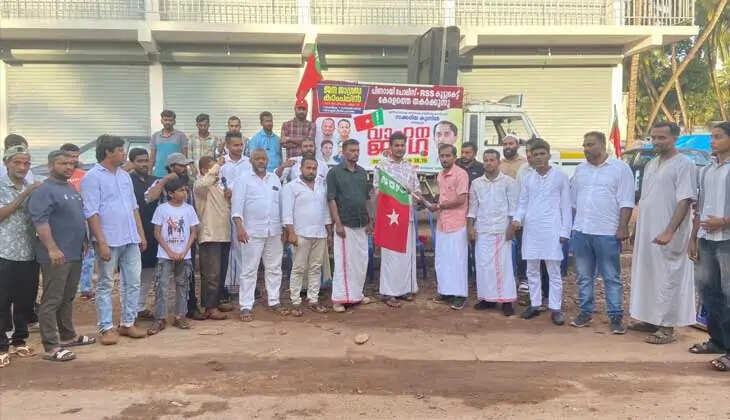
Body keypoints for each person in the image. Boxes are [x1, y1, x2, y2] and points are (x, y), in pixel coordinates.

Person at [629, 121, 697, 344]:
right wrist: (637, 227)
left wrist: (669, 231)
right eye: (653, 137)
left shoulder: (684, 164)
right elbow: (645, 199)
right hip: (648, 230)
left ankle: (667, 327)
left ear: (675, 139)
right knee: (648, 274)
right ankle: (651, 319)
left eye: (662, 138)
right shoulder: (651, 164)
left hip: (670, 232)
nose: (656, 142)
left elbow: (685, 200)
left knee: (668, 276)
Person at [81, 135, 148, 345]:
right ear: (108, 152)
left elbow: (134, 207)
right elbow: (91, 212)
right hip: (108, 239)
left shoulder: (124, 175)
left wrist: (140, 234)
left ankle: (128, 323)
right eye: (119, 150)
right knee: (106, 283)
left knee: (133, 281)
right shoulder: (92, 177)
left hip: (130, 237)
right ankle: (106, 327)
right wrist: (100, 241)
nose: (123, 153)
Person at [29, 150, 95, 362]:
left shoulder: (69, 188)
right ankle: (51, 347)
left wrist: (84, 240)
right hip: (56, 255)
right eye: (62, 163)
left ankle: (68, 336)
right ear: (50, 166)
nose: (68, 167)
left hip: (74, 253)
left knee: (67, 297)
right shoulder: (43, 190)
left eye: (71, 163)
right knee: (52, 300)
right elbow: (40, 222)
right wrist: (52, 248)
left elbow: (76, 217)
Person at [569, 131, 634, 334]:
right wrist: (573, 227)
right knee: (583, 276)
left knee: (611, 276)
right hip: (581, 231)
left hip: (607, 232)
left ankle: (615, 316)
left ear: (603, 145)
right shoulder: (580, 170)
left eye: (590, 144)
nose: (586, 149)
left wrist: (622, 227)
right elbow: (573, 202)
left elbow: (626, 200)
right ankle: (585, 312)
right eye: (584, 145)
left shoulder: (620, 169)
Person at [512, 139, 571, 325]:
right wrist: (517, 218)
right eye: (535, 155)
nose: (538, 158)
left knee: (553, 270)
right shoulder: (528, 178)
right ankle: (535, 304)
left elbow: (566, 206)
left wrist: (565, 231)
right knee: (532, 269)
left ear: (548, 155)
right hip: (531, 230)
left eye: (541, 154)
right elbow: (522, 203)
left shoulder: (560, 177)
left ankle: (555, 308)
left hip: (552, 229)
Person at [688, 121, 730, 371]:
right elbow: (699, 209)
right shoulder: (706, 171)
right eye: (711, 137)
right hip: (706, 240)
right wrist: (693, 237)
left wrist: (723, 221)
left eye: (718, 136)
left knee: (728, 295)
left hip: (727, 241)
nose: (712, 141)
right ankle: (717, 341)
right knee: (708, 293)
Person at [144, 153, 205, 321]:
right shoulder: (160, 183)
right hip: (166, 240)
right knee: (163, 281)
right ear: (171, 167)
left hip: (186, 237)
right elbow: (149, 197)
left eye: (186, 165)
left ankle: (188, 309)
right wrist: (164, 181)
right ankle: (161, 316)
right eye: (181, 165)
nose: (184, 168)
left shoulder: (189, 183)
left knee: (186, 278)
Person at [232, 148, 286, 322]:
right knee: (249, 270)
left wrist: (284, 228)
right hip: (251, 232)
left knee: (274, 268)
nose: (261, 161)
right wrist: (239, 228)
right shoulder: (243, 179)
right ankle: (246, 305)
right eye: (257, 159)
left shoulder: (274, 178)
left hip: (274, 231)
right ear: (251, 161)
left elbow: (281, 205)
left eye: (264, 159)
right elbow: (236, 206)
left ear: (267, 161)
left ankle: (274, 301)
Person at [0, 145, 40, 368]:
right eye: (17, 162)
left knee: (25, 300)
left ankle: (19, 340)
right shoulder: (2, 186)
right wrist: (25, 194)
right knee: (2, 301)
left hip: (29, 252)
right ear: (6, 163)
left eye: (26, 163)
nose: (22, 167)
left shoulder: (31, 186)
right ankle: (1, 346)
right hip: (4, 252)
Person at [467, 149, 518, 316]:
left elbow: (513, 208)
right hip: (482, 229)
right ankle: (487, 299)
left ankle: (507, 301)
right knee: (483, 266)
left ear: (498, 162)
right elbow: (473, 208)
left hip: (502, 230)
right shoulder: (476, 183)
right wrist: (470, 227)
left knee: (503, 267)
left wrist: (511, 227)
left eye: (492, 160)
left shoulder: (509, 182)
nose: (488, 163)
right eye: (486, 160)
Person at [374, 132, 421, 307]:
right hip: (390, 218)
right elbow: (377, 190)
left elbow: (417, 192)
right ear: (390, 146)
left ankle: (405, 289)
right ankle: (389, 293)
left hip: (406, 217)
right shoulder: (382, 167)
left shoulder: (410, 167)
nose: (400, 148)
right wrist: (397, 194)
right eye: (397, 145)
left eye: (402, 145)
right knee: (391, 256)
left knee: (406, 255)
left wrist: (413, 193)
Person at [147, 177, 200, 334]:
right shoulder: (162, 209)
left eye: (185, 190)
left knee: (183, 285)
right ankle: (160, 318)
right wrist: (169, 251)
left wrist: (184, 251)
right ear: (170, 193)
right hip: (165, 254)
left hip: (184, 254)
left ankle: (180, 316)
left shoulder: (189, 209)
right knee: (162, 285)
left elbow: (193, 232)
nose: (184, 193)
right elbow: (157, 233)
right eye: (180, 190)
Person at [326, 139, 373, 313]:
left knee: (360, 261)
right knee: (343, 262)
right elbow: (331, 199)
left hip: (362, 222)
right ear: (344, 152)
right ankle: (339, 299)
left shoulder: (362, 172)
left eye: (357, 150)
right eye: (352, 150)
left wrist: (370, 220)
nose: (355, 153)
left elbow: (366, 198)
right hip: (344, 223)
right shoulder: (334, 173)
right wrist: (337, 223)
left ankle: (356, 295)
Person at [282, 157, 332, 316]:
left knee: (316, 268)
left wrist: (328, 232)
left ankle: (313, 299)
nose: (311, 171)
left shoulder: (321, 186)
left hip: (319, 233)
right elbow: (287, 212)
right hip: (300, 233)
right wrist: (291, 232)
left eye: (314, 168)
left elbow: (325, 211)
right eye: (308, 168)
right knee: (298, 268)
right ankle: (295, 302)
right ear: (301, 169)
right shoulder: (291, 187)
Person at [429, 144, 469, 310]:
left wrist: (439, 206)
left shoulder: (461, 174)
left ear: (454, 157)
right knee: (442, 260)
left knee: (457, 260)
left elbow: (461, 199)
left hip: (457, 224)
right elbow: (443, 197)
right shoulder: (440, 175)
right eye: (442, 156)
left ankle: (460, 295)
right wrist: (433, 203)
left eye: (448, 156)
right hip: (442, 223)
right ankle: (445, 292)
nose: (444, 159)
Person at [193, 156, 230, 320]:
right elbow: (204, 183)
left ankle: (217, 301)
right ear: (203, 170)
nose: (217, 171)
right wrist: (217, 165)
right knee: (211, 274)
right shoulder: (200, 186)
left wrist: (229, 197)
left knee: (221, 272)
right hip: (210, 235)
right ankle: (210, 307)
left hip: (223, 235)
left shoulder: (217, 187)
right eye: (213, 168)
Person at [60, 143, 95, 301]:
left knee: (88, 253)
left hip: (83, 218)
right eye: (71, 156)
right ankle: (65, 287)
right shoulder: (58, 175)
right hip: (64, 222)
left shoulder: (84, 175)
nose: (74, 160)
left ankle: (85, 287)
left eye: (76, 156)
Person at [127, 148, 159, 321]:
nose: (144, 164)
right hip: (133, 232)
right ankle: (129, 311)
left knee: (149, 271)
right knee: (132, 274)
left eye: (146, 160)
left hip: (153, 232)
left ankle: (140, 307)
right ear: (132, 162)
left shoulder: (155, 181)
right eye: (139, 161)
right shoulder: (127, 181)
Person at [221, 132, 253, 295]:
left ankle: (245, 284)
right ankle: (231, 284)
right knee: (231, 246)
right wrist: (224, 191)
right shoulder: (221, 163)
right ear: (227, 146)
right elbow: (216, 183)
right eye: (235, 145)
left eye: (241, 145)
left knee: (245, 245)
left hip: (246, 209)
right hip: (225, 208)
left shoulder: (248, 163)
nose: (239, 148)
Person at [150, 109, 189, 177]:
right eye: (165, 120)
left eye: (170, 120)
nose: (167, 122)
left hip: (176, 174)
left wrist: (183, 173)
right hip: (158, 173)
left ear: (174, 121)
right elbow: (152, 158)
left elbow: (184, 157)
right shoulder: (155, 136)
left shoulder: (181, 135)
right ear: (161, 121)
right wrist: (149, 171)